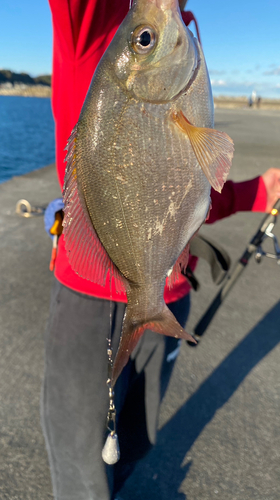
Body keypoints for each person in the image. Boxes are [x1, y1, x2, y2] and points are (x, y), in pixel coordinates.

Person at [43, 1, 280, 499]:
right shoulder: (94, 25)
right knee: (83, 466)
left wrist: (258, 192)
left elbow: (183, 189)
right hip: (89, 302)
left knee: (137, 440)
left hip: (170, 294)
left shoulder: (180, 34)